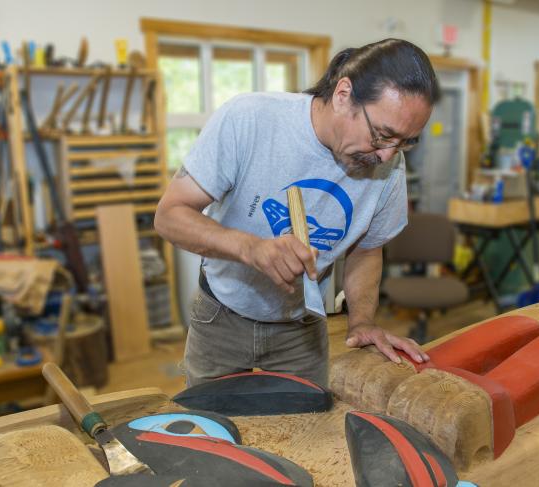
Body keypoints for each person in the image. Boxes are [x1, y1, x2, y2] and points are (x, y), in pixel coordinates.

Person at [155, 38, 439, 387]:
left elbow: (366, 248)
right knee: (213, 430)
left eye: (405, 141)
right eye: (382, 135)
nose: (386, 155)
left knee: (306, 431)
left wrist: (362, 321)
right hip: (221, 317)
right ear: (343, 94)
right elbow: (170, 215)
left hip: (301, 327)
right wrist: (251, 248)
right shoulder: (250, 118)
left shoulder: (389, 167)